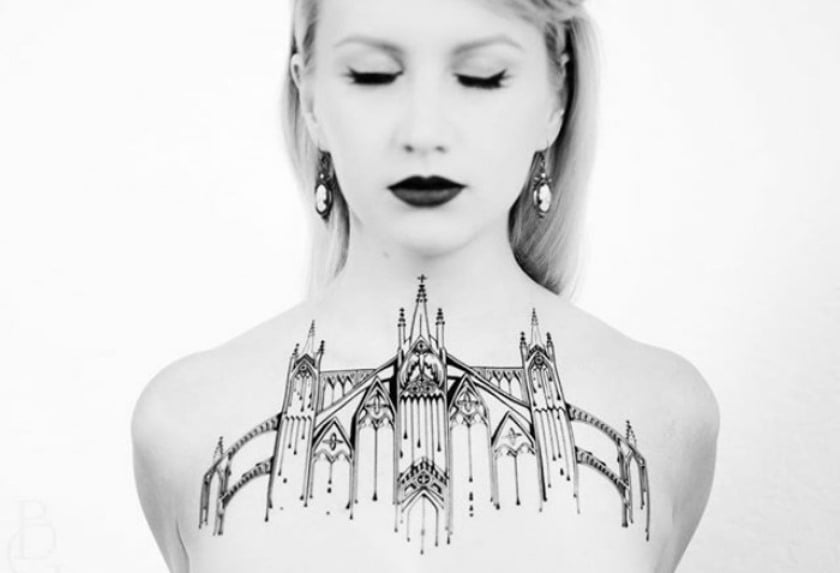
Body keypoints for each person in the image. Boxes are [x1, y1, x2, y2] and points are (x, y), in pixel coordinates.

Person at [131, 0, 720, 571]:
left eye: (481, 76)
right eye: (372, 75)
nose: (424, 131)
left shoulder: (667, 416)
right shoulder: (182, 425)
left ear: (557, 96)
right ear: (309, 98)